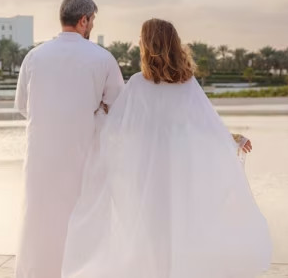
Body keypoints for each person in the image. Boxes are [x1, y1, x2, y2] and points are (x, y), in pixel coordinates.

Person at [62, 18, 272, 278]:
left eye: (141, 40)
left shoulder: (138, 83)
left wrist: (98, 112)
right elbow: (205, 126)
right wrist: (232, 138)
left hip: (146, 172)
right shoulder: (187, 83)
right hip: (179, 170)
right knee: (179, 225)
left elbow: (117, 129)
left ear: (148, 46)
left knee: (151, 228)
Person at [14, 0, 124, 278]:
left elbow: (24, 108)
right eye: (92, 22)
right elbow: (119, 109)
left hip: (40, 157)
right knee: (84, 220)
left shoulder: (34, 56)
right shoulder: (102, 58)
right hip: (83, 156)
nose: (91, 28)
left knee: (39, 221)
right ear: (83, 20)